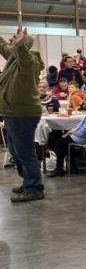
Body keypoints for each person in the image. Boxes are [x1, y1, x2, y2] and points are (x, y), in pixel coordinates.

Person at [1, 29, 45, 202]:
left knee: (25, 151)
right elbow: (4, 47)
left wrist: (20, 47)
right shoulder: (13, 58)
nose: (10, 42)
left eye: (15, 41)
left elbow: (24, 57)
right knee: (15, 150)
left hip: (23, 113)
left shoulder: (30, 62)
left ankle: (34, 187)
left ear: (22, 46)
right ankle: (28, 181)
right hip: (13, 112)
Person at [47, 93, 86, 178]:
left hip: (85, 139)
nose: (83, 104)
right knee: (66, 140)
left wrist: (71, 133)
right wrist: (70, 132)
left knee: (59, 142)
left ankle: (59, 168)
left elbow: (85, 131)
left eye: (85, 102)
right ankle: (72, 167)